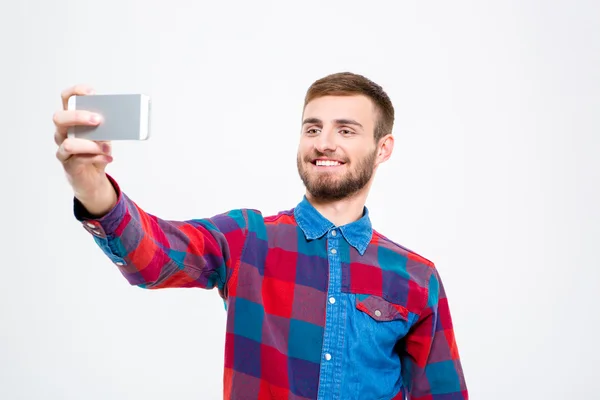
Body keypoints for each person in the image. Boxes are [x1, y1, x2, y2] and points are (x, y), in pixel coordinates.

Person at [53, 72, 468, 399]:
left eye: (345, 130)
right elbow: (153, 258)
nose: (324, 143)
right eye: (312, 128)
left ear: (383, 148)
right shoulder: (248, 238)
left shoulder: (416, 277)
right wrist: (93, 189)